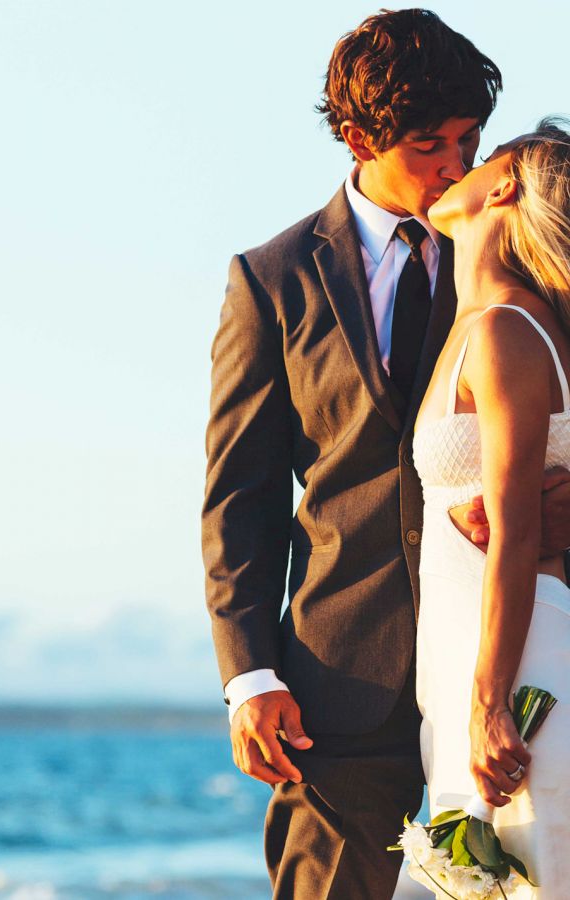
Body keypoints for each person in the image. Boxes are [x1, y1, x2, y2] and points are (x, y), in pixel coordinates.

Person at [202, 10, 570, 898]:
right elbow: (239, 495)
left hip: (512, 682)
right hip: (337, 696)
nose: (455, 163)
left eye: (468, 141)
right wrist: (249, 674)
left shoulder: (513, 261)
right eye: (428, 143)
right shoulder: (273, 279)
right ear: (360, 137)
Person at [413, 119, 570, 896]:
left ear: (503, 185)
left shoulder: (507, 329)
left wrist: (489, 705)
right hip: (473, 660)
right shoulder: (479, 326)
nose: (457, 168)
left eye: (483, 155)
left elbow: (513, 531)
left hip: (519, 670)